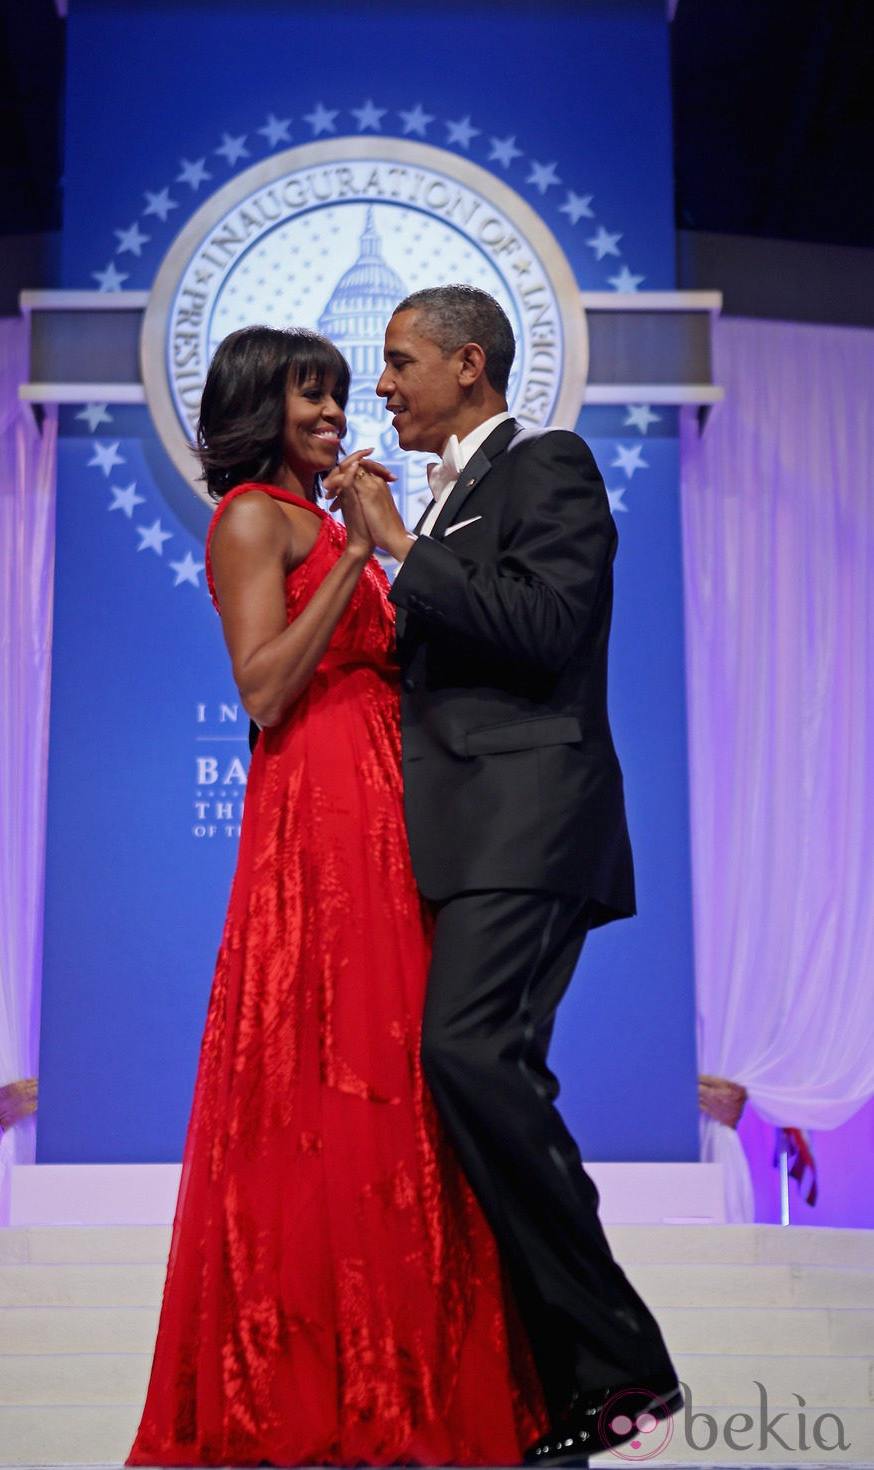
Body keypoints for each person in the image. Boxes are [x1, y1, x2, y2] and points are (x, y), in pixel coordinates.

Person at [126, 324, 544, 1468]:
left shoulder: (329, 513)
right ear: (260, 408)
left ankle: (412, 1376)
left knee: (405, 1077)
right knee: (324, 1068)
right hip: (315, 814)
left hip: (389, 803)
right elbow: (262, 688)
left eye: (337, 394)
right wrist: (357, 560)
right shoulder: (252, 520)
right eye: (308, 397)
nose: (332, 413)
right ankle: (308, 1390)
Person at [342, 286, 681, 1466]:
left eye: (396, 364)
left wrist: (395, 551)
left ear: (466, 366)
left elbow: (545, 628)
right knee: (476, 1071)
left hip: (530, 823)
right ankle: (567, 1387)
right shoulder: (446, 498)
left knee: (467, 1053)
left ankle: (623, 1365)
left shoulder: (548, 466)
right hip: (464, 836)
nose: (380, 387)